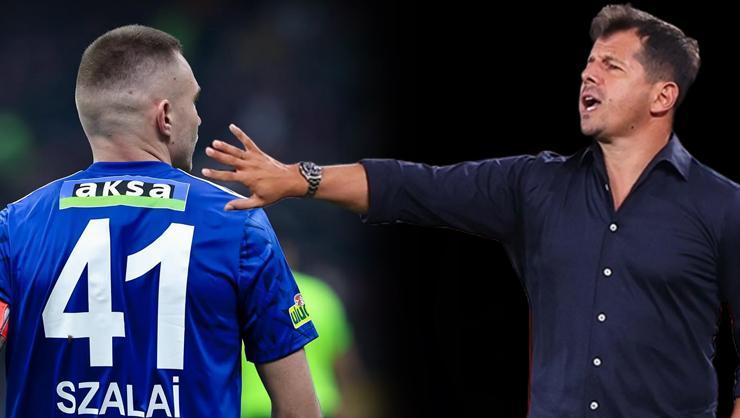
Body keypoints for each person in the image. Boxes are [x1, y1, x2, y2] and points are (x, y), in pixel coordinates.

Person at [202, 4, 740, 417]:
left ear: (662, 96)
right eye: (588, 62)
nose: (587, 75)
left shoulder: (721, 206)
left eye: (611, 66)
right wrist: (299, 178)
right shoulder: (535, 186)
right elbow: (412, 185)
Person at [0, 25, 321, 418]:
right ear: (165, 116)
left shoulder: (15, 225)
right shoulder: (237, 222)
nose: (198, 118)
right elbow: (299, 410)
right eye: (194, 102)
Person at [241, 271, 368, 418]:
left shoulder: (245, 293)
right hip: (322, 406)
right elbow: (345, 364)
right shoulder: (323, 295)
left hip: (252, 408)